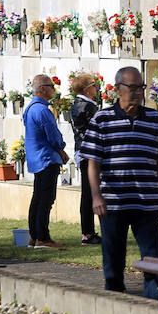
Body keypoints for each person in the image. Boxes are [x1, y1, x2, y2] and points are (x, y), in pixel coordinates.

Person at [81, 66, 158, 297]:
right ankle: (114, 300)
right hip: (113, 203)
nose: (138, 92)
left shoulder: (153, 118)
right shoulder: (102, 119)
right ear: (118, 89)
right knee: (113, 258)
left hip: (147, 202)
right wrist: (96, 195)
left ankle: (154, 302)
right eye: (133, 87)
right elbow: (93, 162)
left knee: (152, 260)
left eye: (141, 87)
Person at [24, 74, 69, 249]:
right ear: (42, 88)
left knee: (37, 198)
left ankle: (34, 237)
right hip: (47, 158)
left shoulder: (30, 108)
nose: (53, 89)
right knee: (46, 199)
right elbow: (53, 136)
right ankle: (43, 238)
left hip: (37, 158)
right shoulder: (42, 110)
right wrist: (61, 149)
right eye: (51, 86)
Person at [68, 73, 103, 246]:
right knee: (89, 194)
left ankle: (89, 232)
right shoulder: (86, 107)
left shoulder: (82, 104)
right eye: (93, 85)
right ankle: (88, 233)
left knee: (89, 193)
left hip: (83, 151)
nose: (96, 88)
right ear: (86, 89)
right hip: (89, 153)